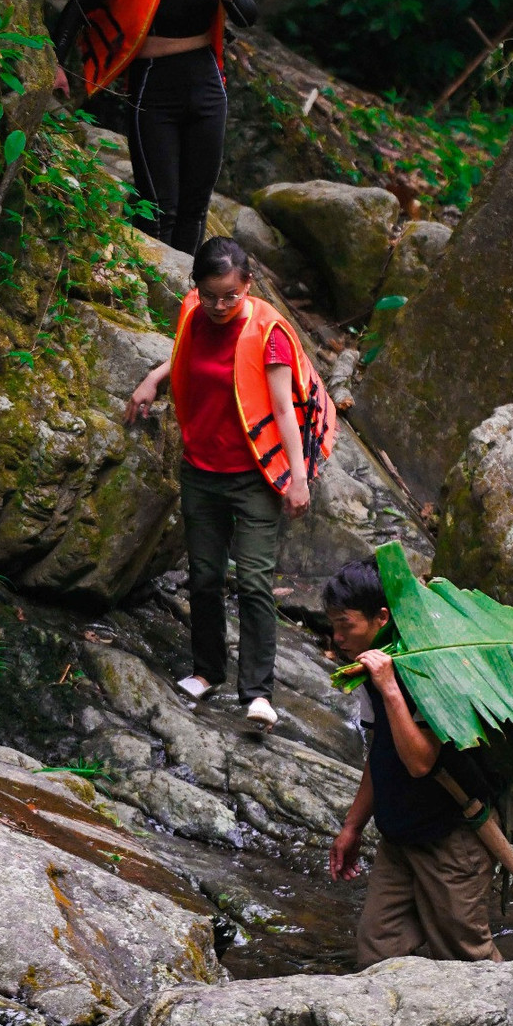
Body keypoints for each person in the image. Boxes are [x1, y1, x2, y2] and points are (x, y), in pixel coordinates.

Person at [125, 237, 336, 732]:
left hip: (254, 477)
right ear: (196, 287)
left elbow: (282, 408)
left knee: (256, 581)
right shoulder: (193, 311)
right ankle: (206, 671)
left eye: (230, 296)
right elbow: (183, 354)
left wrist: (298, 479)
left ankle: (258, 694)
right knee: (204, 575)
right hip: (201, 469)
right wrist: (154, 378)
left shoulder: (269, 334)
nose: (220, 306)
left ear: (249, 285)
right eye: (210, 295)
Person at [324, 556, 513, 965]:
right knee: (378, 951)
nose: (337, 637)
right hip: (400, 837)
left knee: (466, 955)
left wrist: (391, 689)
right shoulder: (371, 667)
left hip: (451, 839)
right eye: (333, 625)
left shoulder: (429, 668)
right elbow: (381, 752)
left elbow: (420, 762)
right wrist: (352, 827)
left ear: (382, 617)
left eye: (346, 625)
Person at [53, 0, 257, 258]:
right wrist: (55, 62)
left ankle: (183, 285)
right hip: (153, 87)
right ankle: (150, 281)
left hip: (206, 87)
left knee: (195, 207)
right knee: (161, 205)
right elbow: (80, 4)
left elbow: (249, 14)